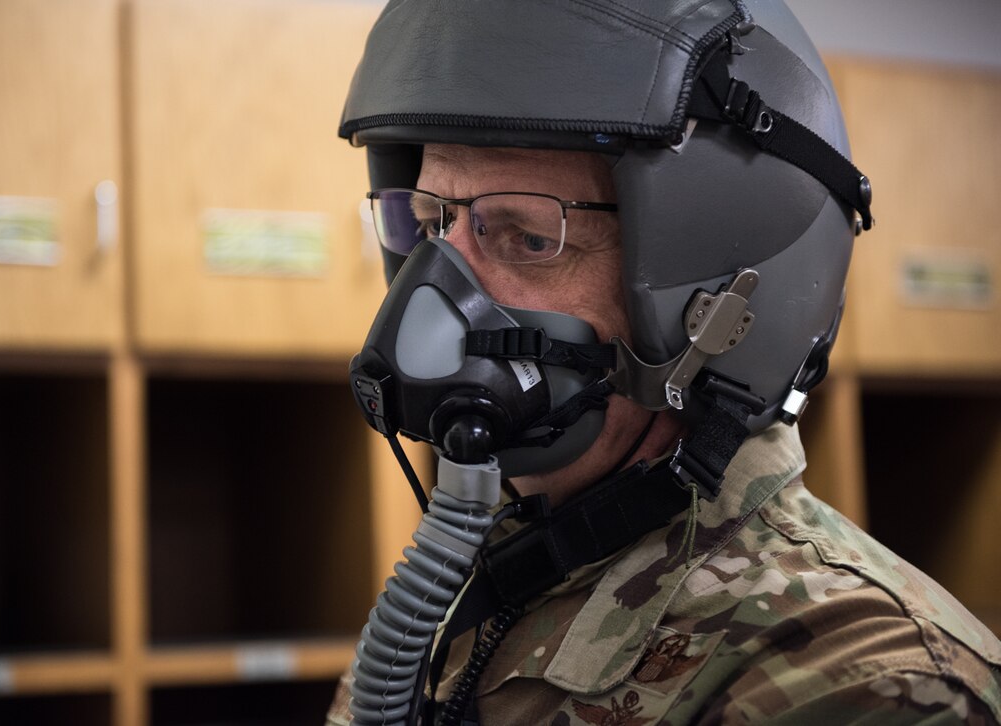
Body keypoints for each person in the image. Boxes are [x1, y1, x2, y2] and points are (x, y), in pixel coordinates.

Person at [328, 1, 1001, 724]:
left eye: (528, 238)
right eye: (429, 223)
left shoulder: (865, 682)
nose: (437, 291)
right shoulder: (446, 612)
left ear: (713, 302)